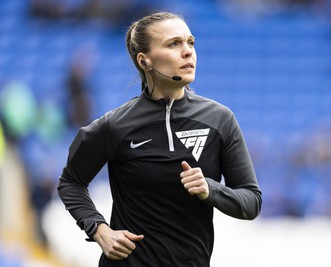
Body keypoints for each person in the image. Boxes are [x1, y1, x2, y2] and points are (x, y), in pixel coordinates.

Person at [57, 11, 262, 267]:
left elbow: (251, 201)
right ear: (145, 61)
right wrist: (99, 229)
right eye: (173, 43)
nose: (188, 52)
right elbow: (71, 183)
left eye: (190, 43)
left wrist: (211, 189)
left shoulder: (220, 119)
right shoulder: (115, 125)